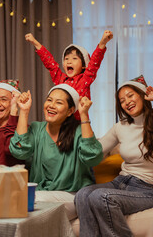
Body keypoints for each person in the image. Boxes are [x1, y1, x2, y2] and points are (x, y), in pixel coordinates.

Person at [75, 75, 153, 237]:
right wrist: (84, 116)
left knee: (101, 197)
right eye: (122, 100)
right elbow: (95, 152)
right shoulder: (120, 127)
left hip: (145, 190)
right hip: (120, 182)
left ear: (142, 96)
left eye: (130, 95)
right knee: (82, 194)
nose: (126, 102)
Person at [9, 84, 103, 220]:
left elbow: (93, 158)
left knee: (26, 200)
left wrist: (83, 115)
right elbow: (19, 152)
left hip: (74, 196)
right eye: (49, 100)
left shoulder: (78, 131)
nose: (51, 105)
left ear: (70, 111)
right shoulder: (36, 129)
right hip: (41, 195)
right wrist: (23, 111)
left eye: (58, 102)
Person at [25, 30, 113, 101]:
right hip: (61, 121)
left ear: (84, 65)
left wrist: (102, 43)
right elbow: (50, 63)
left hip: (80, 121)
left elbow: (94, 62)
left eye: (74, 58)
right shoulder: (60, 79)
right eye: (66, 59)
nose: (69, 62)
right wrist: (35, 43)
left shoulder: (85, 79)